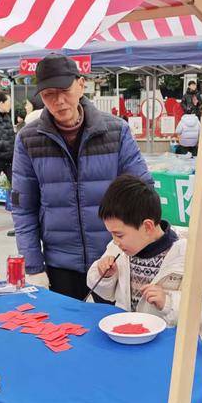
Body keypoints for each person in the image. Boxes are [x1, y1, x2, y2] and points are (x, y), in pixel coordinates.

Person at [12, 53, 152, 300]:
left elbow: (143, 192)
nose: (59, 101)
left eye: (65, 91)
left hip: (112, 259)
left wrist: (140, 250)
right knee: (63, 323)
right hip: (60, 264)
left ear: (81, 84)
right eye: (49, 94)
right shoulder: (28, 139)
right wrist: (33, 267)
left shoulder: (116, 131)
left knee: (111, 323)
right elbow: (24, 209)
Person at [86, 175, 202, 340]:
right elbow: (105, 293)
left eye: (119, 235)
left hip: (173, 345)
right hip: (130, 339)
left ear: (147, 226)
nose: (115, 241)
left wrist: (169, 303)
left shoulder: (190, 256)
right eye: (111, 234)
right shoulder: (117, 248)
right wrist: (105, 275)